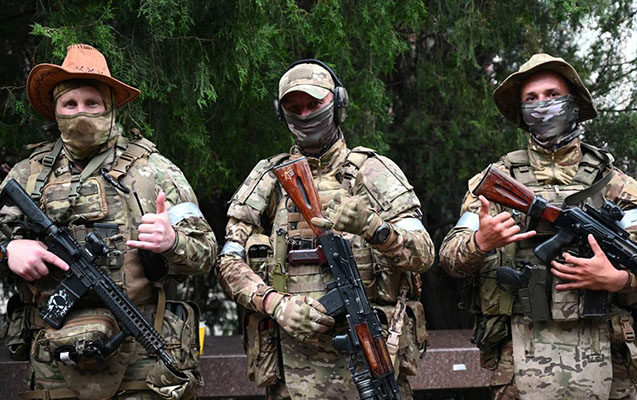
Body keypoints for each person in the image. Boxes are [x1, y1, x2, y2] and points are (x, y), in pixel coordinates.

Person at [0, 44, 217, 399]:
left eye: (92, 103)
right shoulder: (27, 176)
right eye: (70, 104)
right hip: (54, 362)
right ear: (55, 111)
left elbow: (207, 252)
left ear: (111, 107)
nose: (81, 113)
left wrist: (173, 242)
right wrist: (8, 250)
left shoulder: (155, 171)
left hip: (142, 357)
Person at [216, 59, 435, 399]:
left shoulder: (374, 172)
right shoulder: (267, 179)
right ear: (281, 113)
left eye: (314, 103)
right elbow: (228, 262)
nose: (305, 114)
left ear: (338, 103)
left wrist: (374, 228)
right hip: (291, 376)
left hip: (368, 364)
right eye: (294, 107)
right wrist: (275, 304)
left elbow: (424, 254)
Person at [440, 53, 637, 400]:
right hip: (518, 358)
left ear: (574, 104)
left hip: (608, 359)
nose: (542, 105)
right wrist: (480, 242)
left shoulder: (616, 185)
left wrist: (618, 280)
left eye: (552, 95)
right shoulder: (498, 183)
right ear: (521, 112)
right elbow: (450, 259)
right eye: (531, 99)